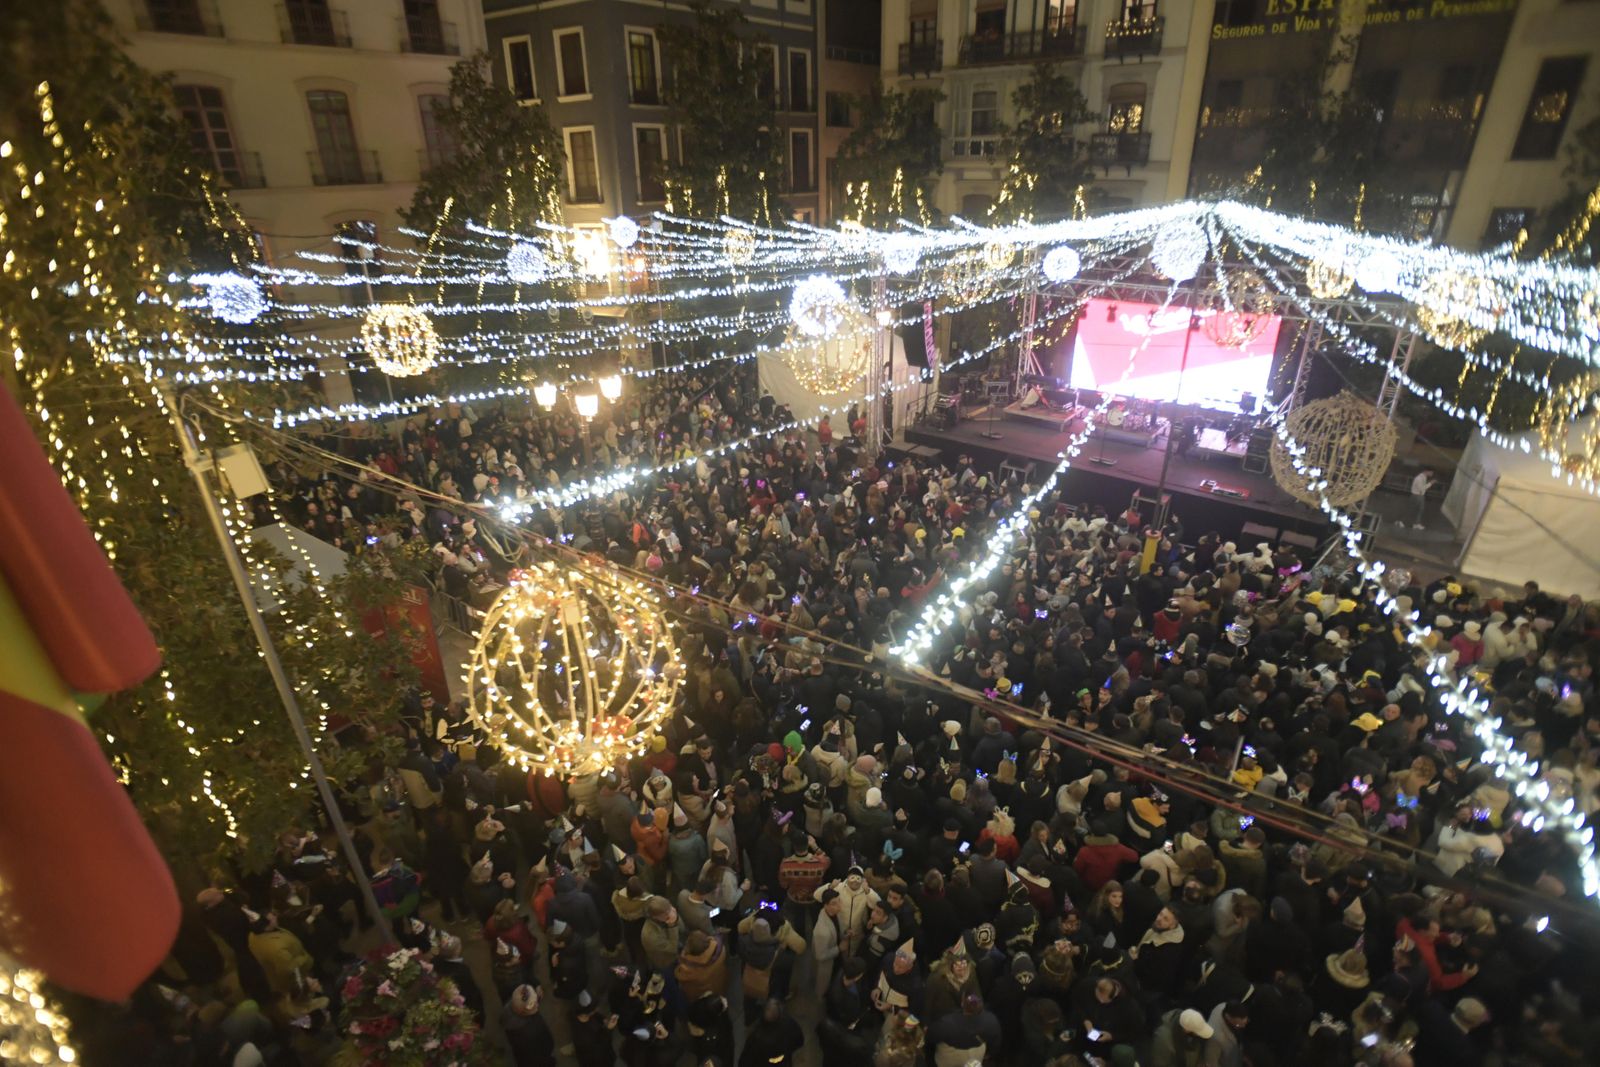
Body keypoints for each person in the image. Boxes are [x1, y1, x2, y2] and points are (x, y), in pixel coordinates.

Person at [502, 984, 557, 1067]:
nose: (537, 1004)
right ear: (528, 1007)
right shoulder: (531, 1031)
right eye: (534, 1002)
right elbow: (543, 1048)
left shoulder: (510, 1008)